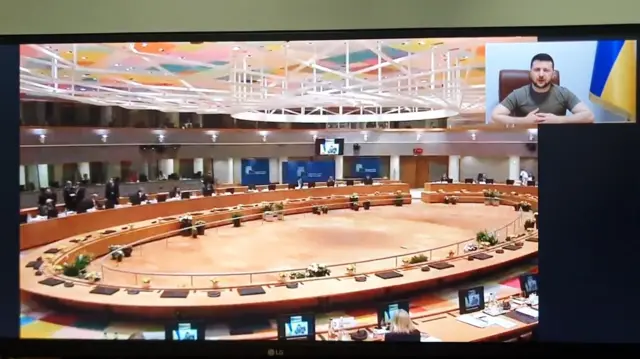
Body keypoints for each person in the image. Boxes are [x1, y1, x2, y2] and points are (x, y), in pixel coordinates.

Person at [491, 53, 594, 125]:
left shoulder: (563, 93)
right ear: (530, 72)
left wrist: (558, 120)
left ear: (553, 74)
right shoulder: (519, 94)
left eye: (546, 70)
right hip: (528, 142)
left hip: (556, 139)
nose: (541, 74)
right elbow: (495, 116)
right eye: (537, 70)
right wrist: (524, 121)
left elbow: (588, 116)